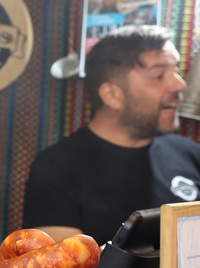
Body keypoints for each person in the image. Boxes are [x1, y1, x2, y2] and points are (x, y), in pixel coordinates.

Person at [22, 25, 197, 245]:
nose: (179, 84)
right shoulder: (58, 168)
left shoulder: (190, 153)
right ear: (112, 95)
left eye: (176, 70)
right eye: (158, 75)